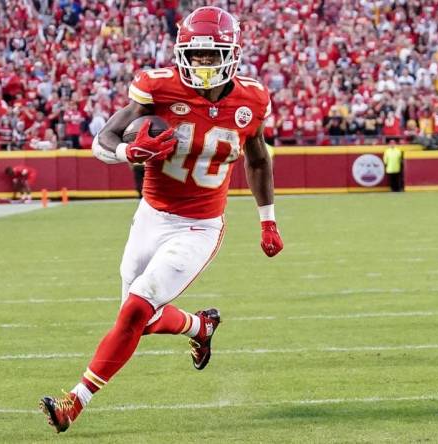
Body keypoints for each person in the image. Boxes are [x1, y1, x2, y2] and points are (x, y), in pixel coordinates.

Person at [39, 7, 284, 433]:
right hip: (151, 216)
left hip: (199, 225)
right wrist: (126, 154)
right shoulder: (158, 87)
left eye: (213, 56)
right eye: (198, 55)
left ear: (232, 54)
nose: (204, 64)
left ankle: (74, 402)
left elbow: (258, 158)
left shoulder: (252, 99)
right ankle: (200, 325)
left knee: (136, 311)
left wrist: (268, 220)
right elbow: (104, 139)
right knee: (139, 319)